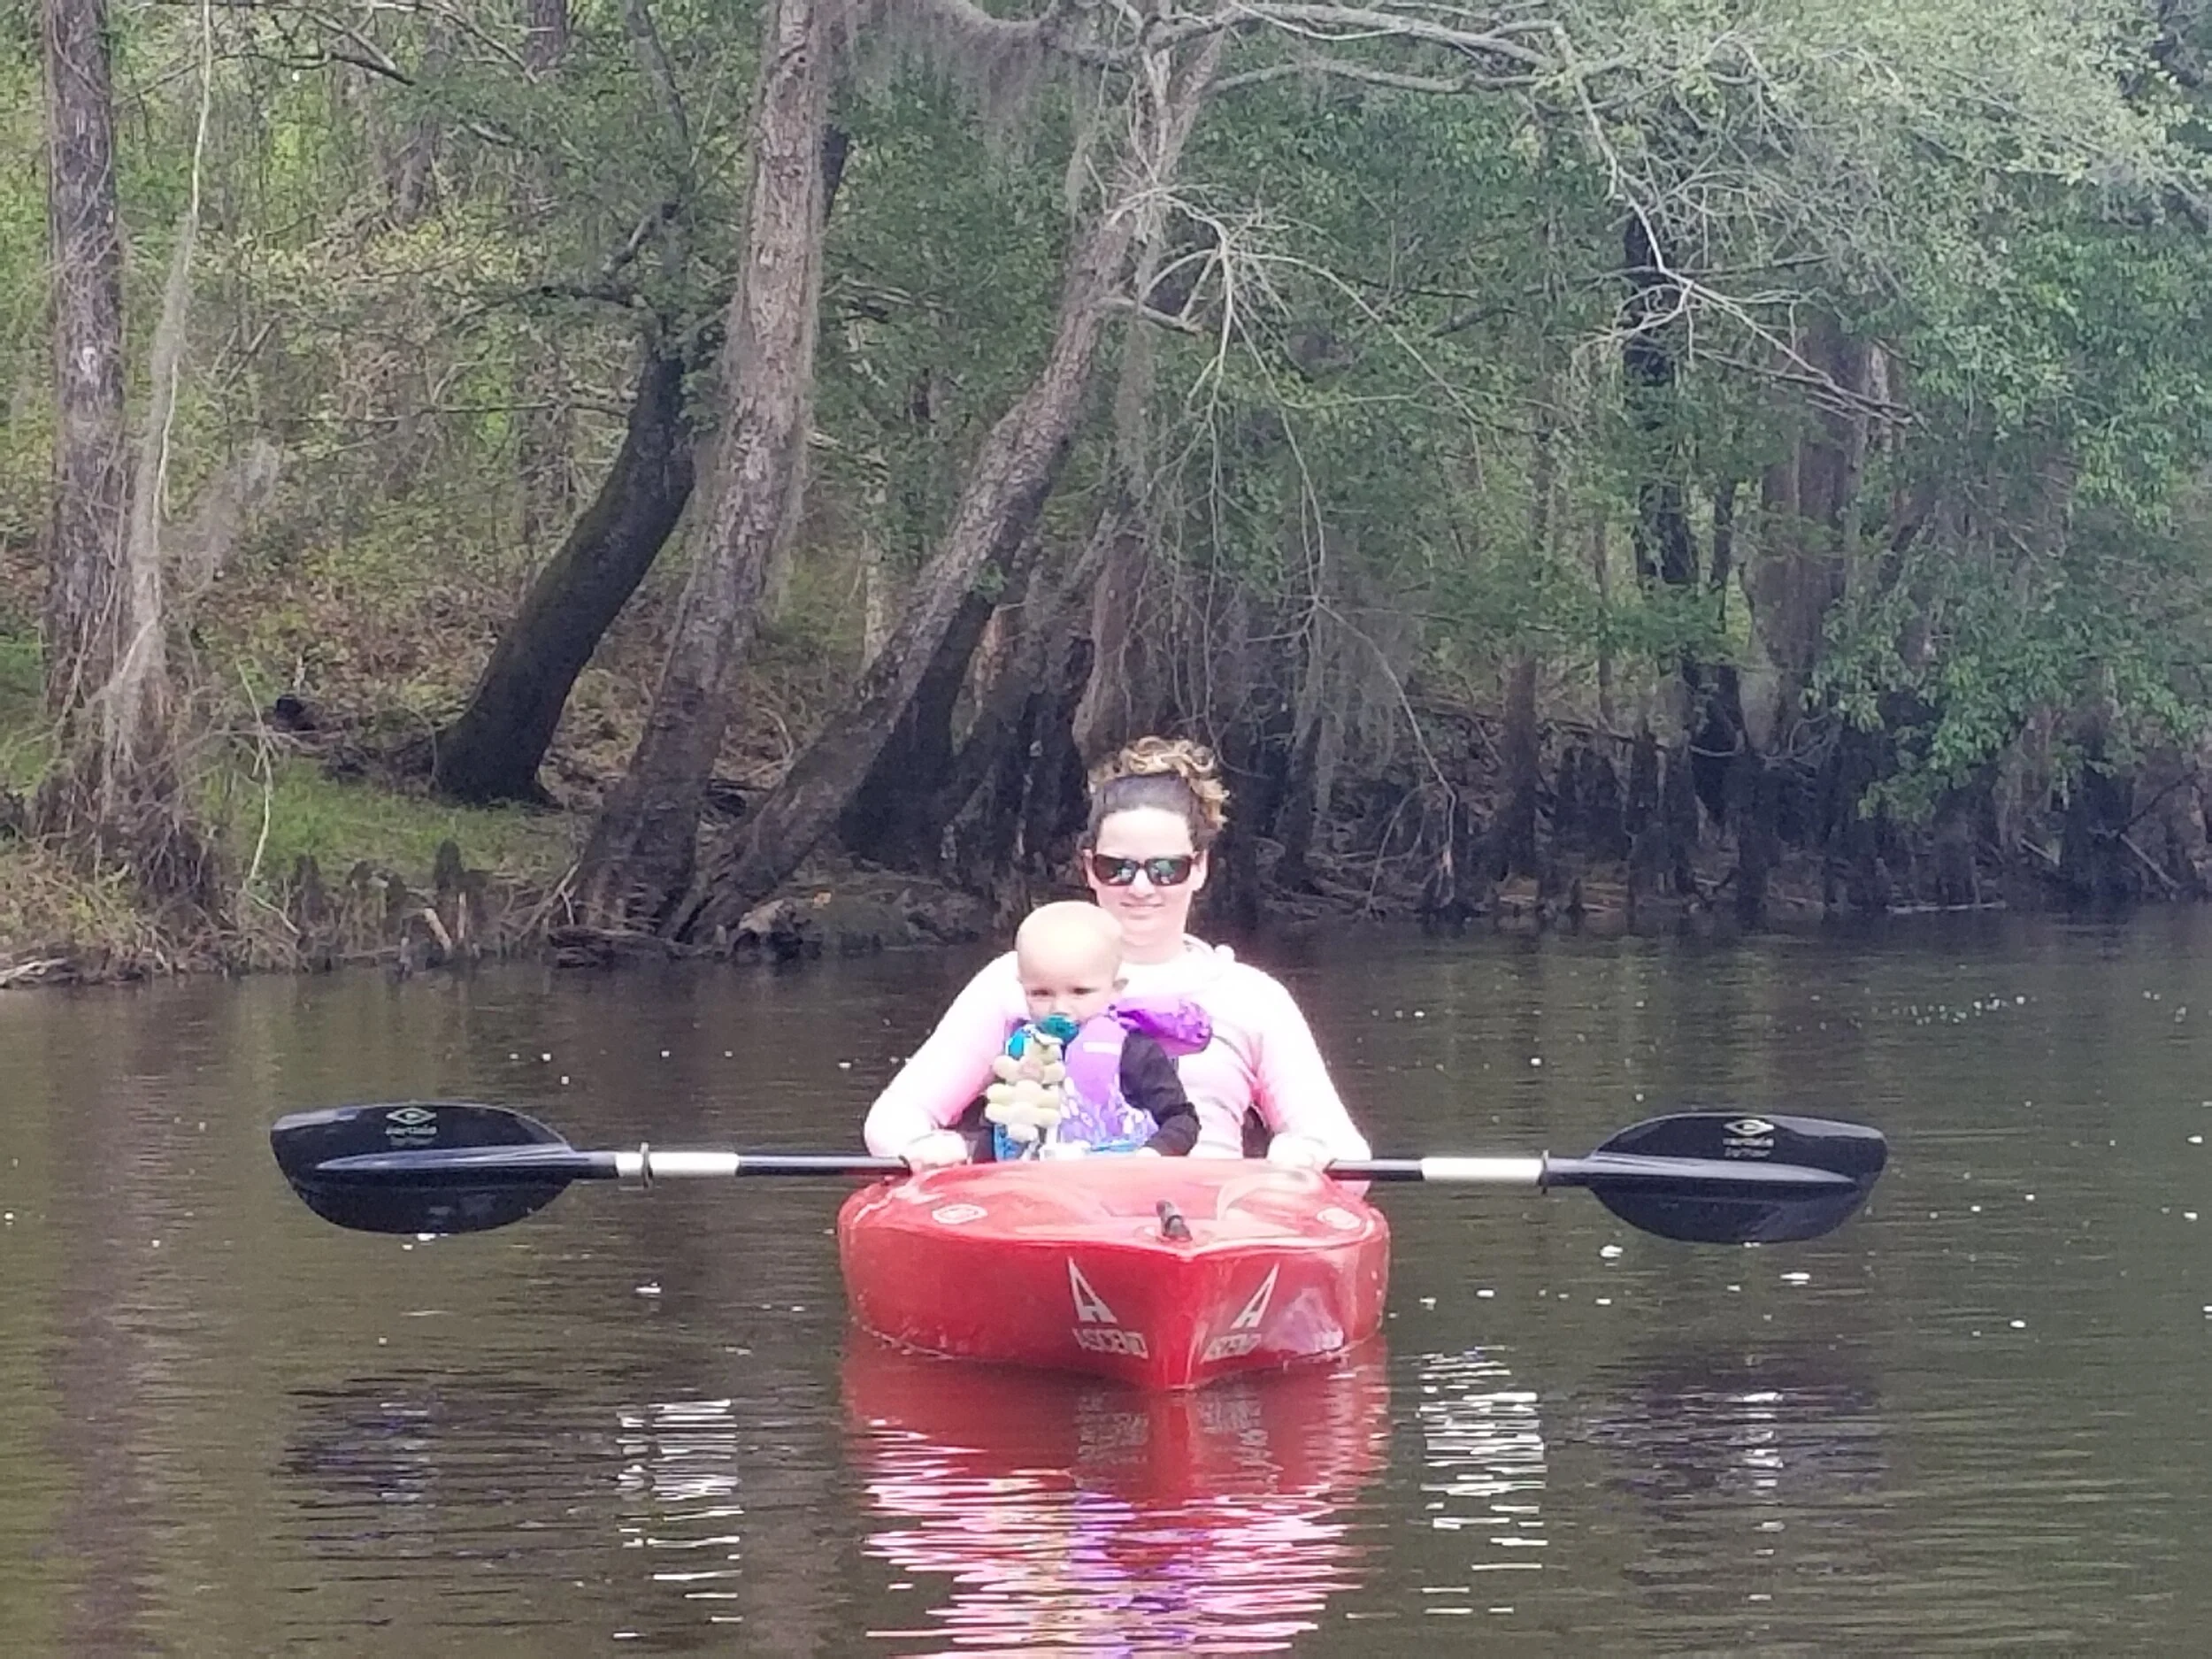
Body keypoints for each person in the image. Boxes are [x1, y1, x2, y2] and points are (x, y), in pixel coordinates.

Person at [864, 736, 1371, 1170]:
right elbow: (897, 1115)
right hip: (1043, 1216)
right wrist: (922, 1146)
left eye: (1166, 869)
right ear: (1090, 868)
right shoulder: (1017, 980)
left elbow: (1344, 1146)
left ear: (1198, 868)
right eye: (1118, 868)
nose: (1142, 887)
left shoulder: (1254, 999)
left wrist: (1305, 1150)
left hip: (1211, 1227)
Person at [983, 900, 1203, 1159]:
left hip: (1120, 1183)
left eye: (1080, 992)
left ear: (1115, 990)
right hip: (1035, 1187)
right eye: (1041, 993)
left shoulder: (1134, 1050)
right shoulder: (1020, 1050)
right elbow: (993, 1127)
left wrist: (1153, 1154)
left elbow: (1182, 1119)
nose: (1059, 1007)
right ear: (1023, 986)